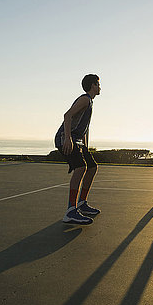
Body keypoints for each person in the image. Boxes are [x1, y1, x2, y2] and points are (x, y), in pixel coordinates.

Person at [55, 74, 101, 224]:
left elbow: (84, 127)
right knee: (80, 167)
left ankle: (82, 203)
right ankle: (71, 211)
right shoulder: (84, 99)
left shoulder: (90, 102)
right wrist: (67, 138)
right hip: (67, 138)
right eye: (98, 84)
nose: (100, 87)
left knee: (92, 167)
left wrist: (86, 147)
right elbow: (67, 116)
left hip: (79, 140)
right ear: (93, 85)